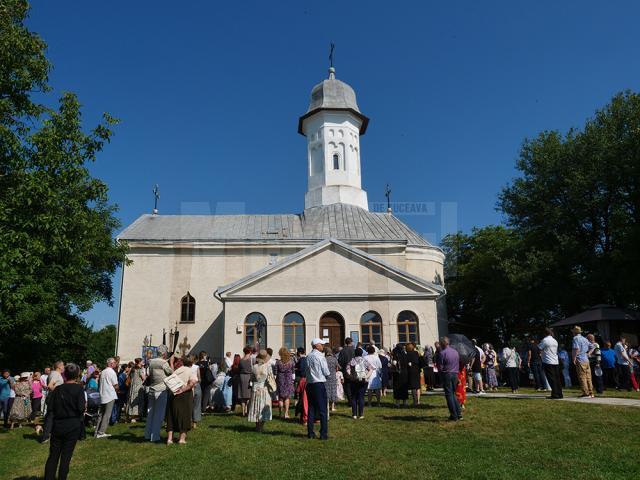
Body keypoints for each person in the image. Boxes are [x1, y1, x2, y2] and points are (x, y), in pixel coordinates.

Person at [43, 363, 86, 480]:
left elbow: (51, 407)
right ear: (77, 375)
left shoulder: (58, 389)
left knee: (53, 456)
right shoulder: (78, 389)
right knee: (65, 457)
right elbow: (81, 408)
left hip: (58, 424)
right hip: (72, 425)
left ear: (65, 374)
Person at [145, 345, 173, 442]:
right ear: (164, 353)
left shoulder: (151, 362)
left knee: (150, 413)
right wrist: (171, 362)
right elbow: (171, 372)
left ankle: (148, 435)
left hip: (152, 389)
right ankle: (155, 437)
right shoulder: (164, 362)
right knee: (159, 414)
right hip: (161, 389)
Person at [166, 357, 198, 444]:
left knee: (171, 415)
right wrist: (183, 389)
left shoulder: (177, 371)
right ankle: (182, 439)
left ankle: (169, 439)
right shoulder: (190, 371)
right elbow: (192, 383)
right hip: (185, 395)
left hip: (173, 394)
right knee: (185, 416)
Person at [305, 338, 330, 440]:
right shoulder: (320, 356)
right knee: (323, 410)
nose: (323, 346)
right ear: (317, 346)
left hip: (310, 384)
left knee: (311, 409)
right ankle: (323, 433)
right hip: (319, 384)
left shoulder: (308, 356)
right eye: (321, 345)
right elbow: (326, 371)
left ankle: (310, 432)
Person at [437, 337, 462, 421]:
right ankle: (459, 414)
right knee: (453, 394)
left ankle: (454, 415)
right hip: (455, 374)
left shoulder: (442, 353)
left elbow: (440, 367)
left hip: (447, 374)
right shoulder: (455, 352)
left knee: (449, 395)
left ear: (442, 344)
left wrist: (440, 376)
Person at [247, 350, 273, 432]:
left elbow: (251, 379)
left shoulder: (254, 367)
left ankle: (257, 426)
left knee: (256, 407)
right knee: (262, 407)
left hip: (255, 389)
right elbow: (270, 379)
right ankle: (261, 427)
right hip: (264, 389)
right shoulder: (268, 366)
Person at [95, 358, 118, 438]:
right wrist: (117, 388)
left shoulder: (103, 371)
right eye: (114, 362)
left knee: (101, 414)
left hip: (103, 394)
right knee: (107, 415)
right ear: (111, 364)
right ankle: (101, 432)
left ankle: (97, 431)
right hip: (109, 395)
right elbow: (115, 385)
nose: (115, 364)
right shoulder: (112, 372)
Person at [42, 361, 65, 443]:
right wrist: (59, 394)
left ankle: (49, 435)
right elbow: (50, 386)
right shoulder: (55, 374)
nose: (64, 367)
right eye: (63, 365)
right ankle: (45, 436)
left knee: (52, 417)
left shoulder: (53, 373)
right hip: (55, 398)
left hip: (52, 398)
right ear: (59, 366)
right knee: (51, 417)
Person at [538, 328, 563, 399]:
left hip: (548, 361)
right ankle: (560, 393)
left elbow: (539, 348)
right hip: (555, 361)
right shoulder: (555, 340)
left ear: (544, 333)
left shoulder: (545, 340)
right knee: (557, 378)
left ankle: (555, 394)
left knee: (551, 378)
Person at [346, 347, 371, 419]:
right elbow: (371, 369)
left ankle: (354, 414)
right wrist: (366, 377)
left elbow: (347, 369)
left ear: (355, 353)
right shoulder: (365, 360)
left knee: (354, 397)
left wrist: (351, 376)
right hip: (363, 380)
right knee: (361, 397)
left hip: (354, 380)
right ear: (362, 353)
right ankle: (361, 414)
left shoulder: (352, 361)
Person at [571, 326, 594, 398]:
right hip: (586, 359)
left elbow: (576, 349)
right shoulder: (584, 338)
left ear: (574, 332)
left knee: (582, 377)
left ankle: (585, 393)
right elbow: (593, 346)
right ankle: (591, 393)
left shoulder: (575, 338)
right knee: (588, 377)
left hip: (580, 359)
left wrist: (574, 358)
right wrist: (589, 353)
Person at [274, 347, 295, 418]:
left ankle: (280, 413)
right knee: (287, 397)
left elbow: (275, 372)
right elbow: (293, 371)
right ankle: (286, 413)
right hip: (288, 379)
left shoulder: (278, 362)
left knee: (280, 397)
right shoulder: (291, 362)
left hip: (280, 379)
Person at [126, 358, 145, 422]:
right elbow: (143, 378)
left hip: (132, 387)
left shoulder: (132, 369)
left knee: (131, 399)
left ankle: (130, 416)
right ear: (139, 362)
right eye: (142, 362)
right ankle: (134, 417)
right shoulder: (140, 370)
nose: (143, 363)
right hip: (138, 387)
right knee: (137, 401)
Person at [337, 337, 355, 404]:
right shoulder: (354, 350)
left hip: (345, 370)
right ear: (351, 342)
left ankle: (350, 400)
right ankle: (353, 400)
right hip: (353, 370)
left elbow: (340, 361)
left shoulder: (343, 351)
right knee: (353, 385)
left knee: (347, 386)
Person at [238, 347, 253, 417]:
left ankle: (243, 411)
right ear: (249, 352)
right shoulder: (251, 360)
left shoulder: (241, 360)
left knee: (242, 395)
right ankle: (247, 410)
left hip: (241, 377)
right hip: (249, 377)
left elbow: (239, 369)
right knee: (248, 395)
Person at [325, 347, 340, 412]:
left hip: (326, 377)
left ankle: (327, 405)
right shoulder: (334, 359)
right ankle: (333, 407)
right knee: (333, 391)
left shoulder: (324, 359)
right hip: (333, 377)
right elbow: (338, 367)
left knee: (326, 391)